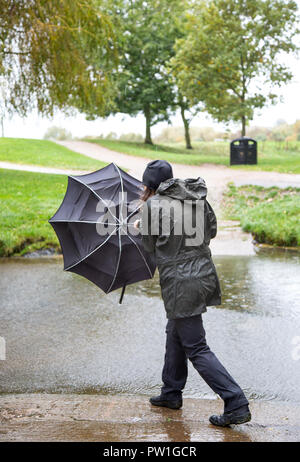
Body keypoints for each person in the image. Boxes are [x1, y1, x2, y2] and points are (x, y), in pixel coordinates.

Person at [136, 159, 251, 427]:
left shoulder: (153, 205)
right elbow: (211, 231)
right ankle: (171, 392)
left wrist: (142, 230)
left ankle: (236, 402)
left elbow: (151, 248)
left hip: (180, 283)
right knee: (174, 330)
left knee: (196, 346)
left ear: (150, 185)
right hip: (204, 274)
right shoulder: (196, 197)